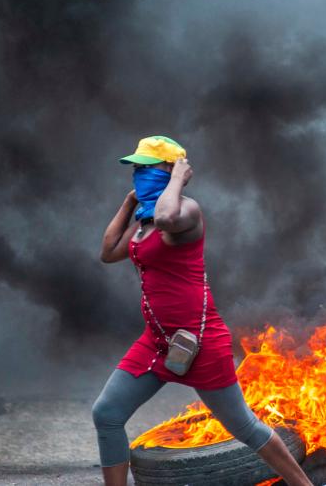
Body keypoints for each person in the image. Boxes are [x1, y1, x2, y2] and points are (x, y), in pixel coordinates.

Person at [93, 136, 311, 486]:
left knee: (243, 427)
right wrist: (127, 203)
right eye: (135, 168)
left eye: (146, 167)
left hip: (200, 342)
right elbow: (108, 251)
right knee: (107, 413)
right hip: (158, 341)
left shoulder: (186, 211)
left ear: (169, 168)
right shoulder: (144, 219)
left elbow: (167, 216)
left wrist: (179, 178)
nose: (138, 174)